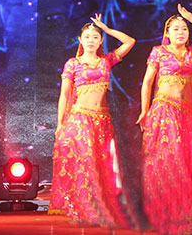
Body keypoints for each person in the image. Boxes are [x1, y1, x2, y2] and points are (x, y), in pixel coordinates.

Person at [136, 4, 192, 234]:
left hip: (186, 113)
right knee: (165, 158)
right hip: (164, 109)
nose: (181, 32)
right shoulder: (159, 52)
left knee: (185, 159)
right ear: (167, 33)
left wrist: (191, 18)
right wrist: (144, 111)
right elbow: (147, 83)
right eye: (176, 29)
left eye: (184, 29)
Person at [48, 14, 138, 228]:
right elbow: (64, 95)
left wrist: (106, 29)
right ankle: (85, 209)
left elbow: (130, 42)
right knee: (85, 163)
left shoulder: (106, 60)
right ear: (80, 40)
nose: (90, 40)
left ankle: (96, 206)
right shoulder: (73, 64)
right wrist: (60, 124)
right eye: (87, 37)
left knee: (100, 165)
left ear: (100, 41)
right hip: (80, 119)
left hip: (103, 121)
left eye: (95, 37)